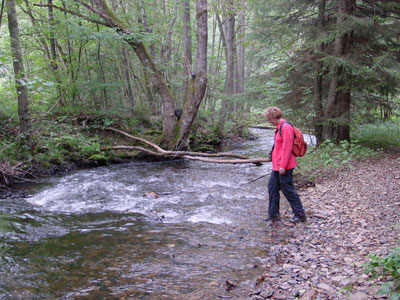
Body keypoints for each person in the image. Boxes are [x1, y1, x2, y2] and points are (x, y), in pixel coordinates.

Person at [263, 106, 306, 223]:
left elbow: (287, 148)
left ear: (273, 117)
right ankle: (273, 214)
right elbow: (278, 147)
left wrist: (283, 166)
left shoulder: (285, 127)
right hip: (277, 166)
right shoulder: (278, 127)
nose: (269, 121)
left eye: (269, 119)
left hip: (285, 165)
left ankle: (300, 214)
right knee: (272, 188)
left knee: (288, 190)